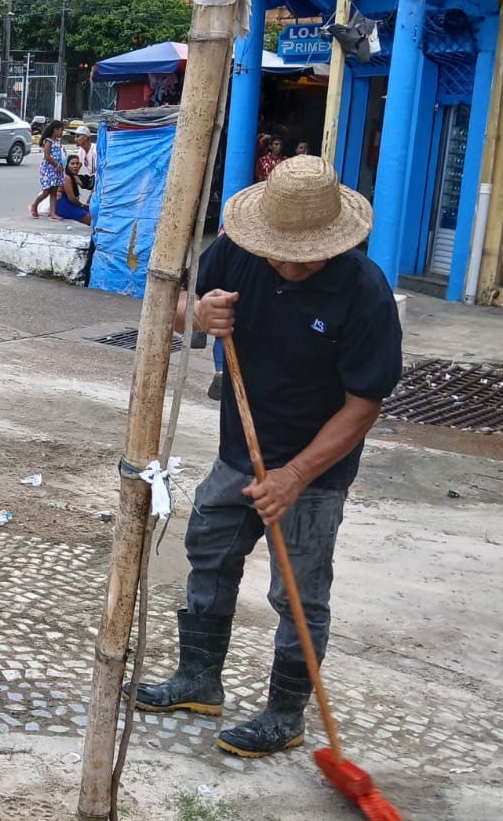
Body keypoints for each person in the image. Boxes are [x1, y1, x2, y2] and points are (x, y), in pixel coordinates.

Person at [134, 156, 403, 758]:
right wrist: (198, 314)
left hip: (316, 469)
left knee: (298, 592)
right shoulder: (237, 252)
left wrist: (295, 476)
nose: (286, 264)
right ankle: (199, 679)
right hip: (239, 451)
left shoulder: (363, 291)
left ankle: (286, 714)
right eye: (278, 250)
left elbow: (363, 406)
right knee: (209, 551)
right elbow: (177, 311)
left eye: (303, 255)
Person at [30, 120, 66, 218]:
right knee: (47, 191)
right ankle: (35, 205)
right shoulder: (48, 141)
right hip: (49, 169)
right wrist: (56, 165)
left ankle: (53, 213)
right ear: (55, 130)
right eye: (61, 130)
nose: (62, 133)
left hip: (57, 170)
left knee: (54, 191)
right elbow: (47, 155)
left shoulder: (58, 142)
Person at [56, 154, 93, 225]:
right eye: (72, 164)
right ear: (67, 165)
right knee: (91, 220)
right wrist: (83, 205)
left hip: (70, 206)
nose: (75, 166)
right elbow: (72, 199)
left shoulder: (73, 176)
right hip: (65, 207)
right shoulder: (67, 178)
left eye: (77, 164)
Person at [74, 126, 98, 191]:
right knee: (71, 177)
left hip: (100, 177)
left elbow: (99, 173)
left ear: (86, 137)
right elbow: (76, 166)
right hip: (92, 177)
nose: (75, 139)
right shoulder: (81, 150)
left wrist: (93, 192)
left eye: (78, 136)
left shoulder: (95, 150)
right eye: (75, 137)